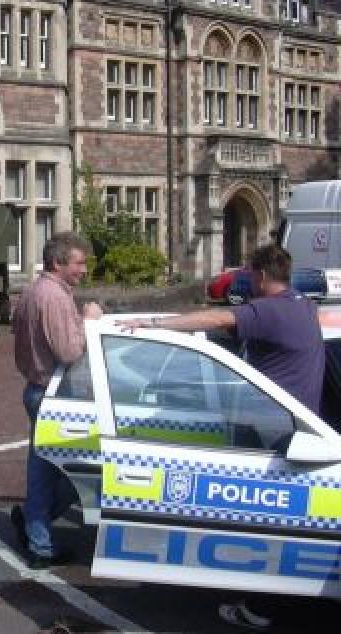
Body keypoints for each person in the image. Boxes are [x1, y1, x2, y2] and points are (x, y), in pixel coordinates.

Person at [117, 242, 325, 631]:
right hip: (300, 424)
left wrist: (153, 326)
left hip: (272, 431)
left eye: (249, 275)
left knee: (266, 520)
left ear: (262, 277)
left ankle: (260, 606)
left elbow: (215, 319)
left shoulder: (268, 310)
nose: (245, 281)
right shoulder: (304, 306)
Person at [11, 231, 103, 570]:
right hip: (54, 395)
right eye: (79, 263)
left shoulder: (33, 291)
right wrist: (88, 322)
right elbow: (68, 352)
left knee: (45, 469)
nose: (83, 270)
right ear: (57, 262)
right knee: (80, 466)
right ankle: (38, 537)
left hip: (38, 389)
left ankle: (37, 534)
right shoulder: (53, 297)